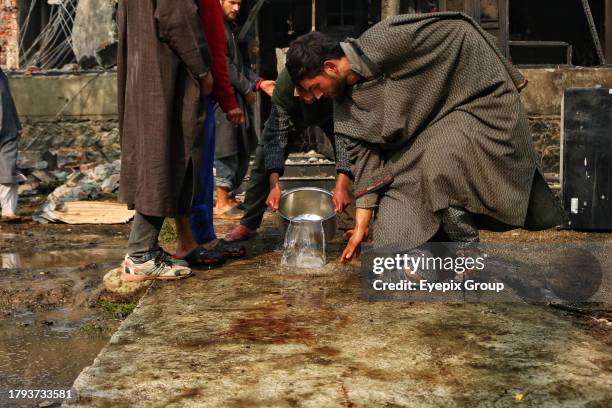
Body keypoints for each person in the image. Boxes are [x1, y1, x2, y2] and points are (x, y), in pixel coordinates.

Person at [285, 13, 566, 263]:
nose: (315, 97)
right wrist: (360, 228)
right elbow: (366, 168)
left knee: (440, 162)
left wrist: (505, 75)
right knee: (388, 248)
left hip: (471, 106)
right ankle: (432, 252)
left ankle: (467, 252)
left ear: (331, 67)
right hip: (414, 147)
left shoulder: (386, 38)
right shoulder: (343, 109)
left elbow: (459, 27)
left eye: (314, 87)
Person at [117, 0, 221, 281]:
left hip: (147, 74)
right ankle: (140, 254)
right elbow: (177, 18)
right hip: (167, 82)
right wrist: (202, 70)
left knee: (158, 159)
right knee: (166, 160)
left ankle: (150, 248)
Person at [226, 68, 354, 242]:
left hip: (334, 114)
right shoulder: (285, 85)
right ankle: (249, 222)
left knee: (354, 155)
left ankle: (351, 224)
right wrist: (274, 185)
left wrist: (340, 186)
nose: (309, 97)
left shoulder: (339, 78)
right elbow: (275, 137)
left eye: (312, 89)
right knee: (264, 157)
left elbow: (345, 140)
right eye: (302, 90)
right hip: (294, 114)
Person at [185, 0, 248, 261]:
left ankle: (202, 236)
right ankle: (198, 238)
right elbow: (218, 60)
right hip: (197, 93)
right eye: (231, 1)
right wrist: (228, 98)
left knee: (202, 171)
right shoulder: (207, 13)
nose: (236, 7)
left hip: (201, 91)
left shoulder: (223, 22)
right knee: (200, 171)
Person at [214, 0, 275, 220]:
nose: (237, 8)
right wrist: (247, 86)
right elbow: (224, 65)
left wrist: (260, 83)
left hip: (236, 97)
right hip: (222, 100)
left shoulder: (229, 28)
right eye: (232, 2)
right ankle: (221, 202)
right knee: (226, 150)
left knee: (240, 148)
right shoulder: (215, 28)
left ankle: (228, 197)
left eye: (239, 3)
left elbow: (240, 67)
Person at [0, 67, 22, 223]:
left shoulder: (2, 76)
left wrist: (17, 124)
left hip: (7, 128)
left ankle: (8, 211)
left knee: (8, 170)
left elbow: (9, 101)